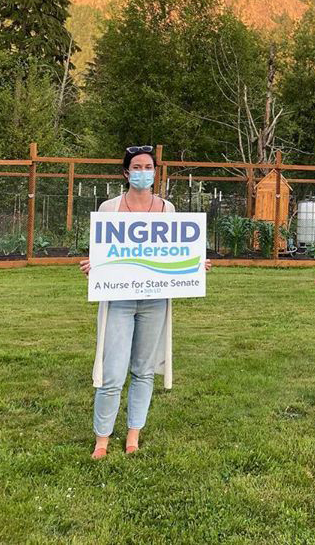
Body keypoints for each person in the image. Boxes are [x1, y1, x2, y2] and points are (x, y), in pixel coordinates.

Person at [79, 145, 210, 459]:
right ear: (126, 173)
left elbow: (178, 249)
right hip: (118, 302)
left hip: (154, 302)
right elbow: (103, 252)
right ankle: (102, 439)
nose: (142, 172)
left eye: (147, 167)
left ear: (155, 171)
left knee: (143, 370)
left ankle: (133, 434)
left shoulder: (168, 209)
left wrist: (195, 264)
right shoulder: (109, 208)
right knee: (112, 373)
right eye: (136, 167)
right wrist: (93, 266)